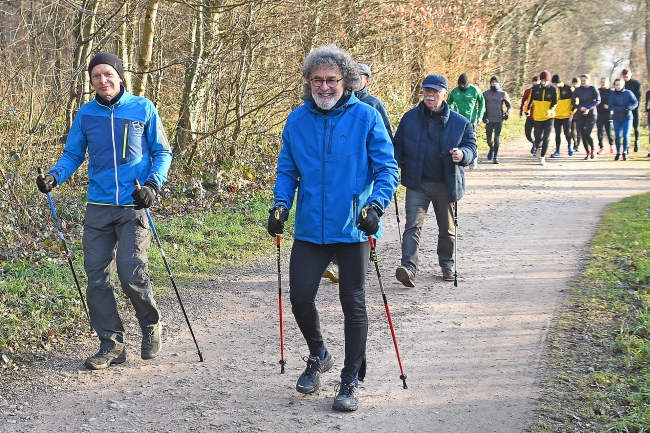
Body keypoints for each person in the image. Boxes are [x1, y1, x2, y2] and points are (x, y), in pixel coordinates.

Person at [268, 44, 398, 412]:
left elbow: (388, 169)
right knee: (299, 297)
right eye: (317, 80)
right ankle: (319, 354)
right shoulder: (296, 121)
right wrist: (281, 204)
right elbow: (287, 169)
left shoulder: (367, 118)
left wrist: (376, 206)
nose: (324, 87)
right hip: (311, 227)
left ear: (347, 82)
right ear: (308, 82)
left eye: (331, 80)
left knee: (352, 302)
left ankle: (350, 378)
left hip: (354, 226)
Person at [35, 52, 172, 370]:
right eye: (96, 76)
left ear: (120, 76)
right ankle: (111, 344)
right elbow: (72, 155)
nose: (103, 80)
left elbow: (162, 151)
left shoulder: (143, 108)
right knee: (97, 280)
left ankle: (151, 325)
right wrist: (54, 177)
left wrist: (152, 186)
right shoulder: (85, 115)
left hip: (133, 205)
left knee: (131, 273)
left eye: (108, 74)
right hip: (97, 207)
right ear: (91, 81)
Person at [393, 74, 477, 287]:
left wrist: (463, 155)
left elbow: (471, 147)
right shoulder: (409, 119)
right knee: (412, 225)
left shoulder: (461, 123)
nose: (430, 96)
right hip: (417, 183)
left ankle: (447, 264)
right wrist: (392, 168)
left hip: (446, 183)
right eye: (427, 92)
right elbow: (397, 147)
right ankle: (409, 269)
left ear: (445, 94)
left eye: (435, 92)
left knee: (447, 228)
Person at [448, 73, 485, 164]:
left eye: (464, 85)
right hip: (458, 120)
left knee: (472, 139)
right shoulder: (454, 91)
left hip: (471, 120)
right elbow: (448, 103)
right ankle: (459, 158)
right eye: (460, 85)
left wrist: (480, 116)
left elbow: (482, 103)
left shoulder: (475, 90)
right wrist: (450, 115)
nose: (462, 86)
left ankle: (473, 157)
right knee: (458, 139)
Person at [526, 70, 557, 165]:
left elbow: (555, 102)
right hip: (537, 117)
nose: (543, 81)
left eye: (545, 80)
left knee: (546, 138)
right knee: (537, 138)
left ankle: (543, 157)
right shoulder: (535, 88)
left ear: (548, 80)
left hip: (548, 117)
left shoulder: (553, 89)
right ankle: (538, 148)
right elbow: (530, 100)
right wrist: (527, 110)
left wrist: (551, 110)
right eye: (542, 79)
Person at [481, 76, 511, 164]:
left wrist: (507, 113)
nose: (494, 84)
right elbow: (482, 106)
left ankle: (495, 156)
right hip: (489, 119)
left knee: (496, 138)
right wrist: (483, 115)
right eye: (492, 82)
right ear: (490, 83)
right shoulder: (485, 94)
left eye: (496, 82)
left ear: (498, 83)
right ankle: (491, 148)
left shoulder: (503, 94)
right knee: (489, 139)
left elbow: (509, 105)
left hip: (499, 119)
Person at [572, 74, 601, 160]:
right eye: (582, 80)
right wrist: (580, 107)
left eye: (585, 80)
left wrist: (588, 108)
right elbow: (573, 101)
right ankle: (587, 152)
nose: (583, 82)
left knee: (587, 133)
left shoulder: (593, 89)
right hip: (580, 114)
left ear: (589, 81)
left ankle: (593, 149)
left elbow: (598, 100)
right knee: (582, 134)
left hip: (591, 114)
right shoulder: (577, 90)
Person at [609, 78, 638, 160]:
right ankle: (618, 152)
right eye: (616, 85)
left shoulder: (628, 93)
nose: (618, 87)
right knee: (618, 136)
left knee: (626, 135)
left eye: (619, 85)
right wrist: (622, 108)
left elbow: (635, 102)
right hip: (617, 118)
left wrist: (630, 108)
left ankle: (625, 152)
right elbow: (610, 106)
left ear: (623, 85)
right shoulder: (612, 94)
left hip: (627, 117)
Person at [550, 74, 574, 157]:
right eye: (553, 84)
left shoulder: (569, 89)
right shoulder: (552, 90)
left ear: (560, 82)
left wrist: (572, 112)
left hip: (566, 116)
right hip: (556, 116)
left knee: (567, 133)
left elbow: (575, 102)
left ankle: (570, 145)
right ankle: (557, 151)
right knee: (557, 134)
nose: (555, 86)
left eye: (556, 84)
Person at [621, 69, 641, 152]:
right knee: (625, 128)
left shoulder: (636, 83)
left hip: (634, 107)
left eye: (627, 77)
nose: (625, 78)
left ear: (630, 74)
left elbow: (639, 96)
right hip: (624, 109)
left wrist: (634, 106)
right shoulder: (621, 84)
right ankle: (627, 145)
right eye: (624, 77)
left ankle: (636, 141)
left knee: (635, 127)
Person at [520, 76, 539, 153]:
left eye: (537, 82)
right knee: (527, 133)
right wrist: (522, 110)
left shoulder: (542, 92)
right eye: (534, 82)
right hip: (529, 116)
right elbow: (523, 101)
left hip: (538, 117)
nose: (535, 84)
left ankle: (536, 147)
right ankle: (534, 143)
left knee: (537, 133)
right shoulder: (528, 91)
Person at [596, 77, 614, 154]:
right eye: (602, 82)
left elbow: (613, 101)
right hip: (599, 113)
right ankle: (601, 147)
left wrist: (609, 107)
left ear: (608, 83)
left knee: (608, 131)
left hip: (608, 113)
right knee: (599, 131)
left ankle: (612, 146)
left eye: (604, 82)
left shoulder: (611, 92)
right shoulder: (598, 91)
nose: (603, 83)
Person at [570, 77, 582, 152]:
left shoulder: (581, 91)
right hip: (572, 112)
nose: (575, 85)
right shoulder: (570, 91)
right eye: (574, 83)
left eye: (576, 83)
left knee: (579, 130)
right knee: (572, 129)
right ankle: (575, 143)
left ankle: (578, 144)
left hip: (580, 112)